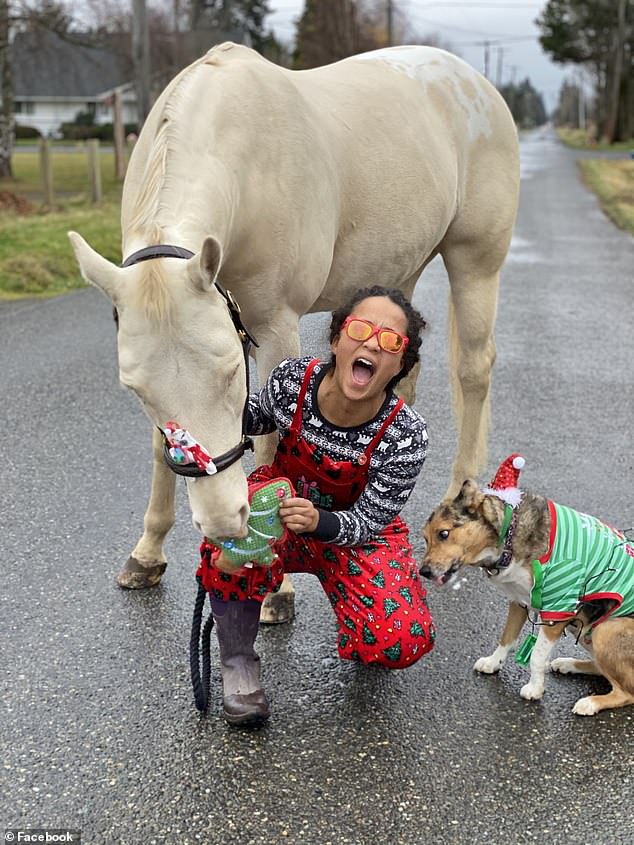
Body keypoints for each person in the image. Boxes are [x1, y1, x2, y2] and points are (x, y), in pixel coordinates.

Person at [196, 285, 435, 725]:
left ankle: (362, 623)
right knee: (232, 536)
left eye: (389, 341)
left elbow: (371, 519)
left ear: (400, 364)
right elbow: (249, 420)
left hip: (352, 535)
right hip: (278, 516)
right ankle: (239, 664)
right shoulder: (293, 381)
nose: (370, 343)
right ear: (336, 340)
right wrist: (210, 385)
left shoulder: (406, 435)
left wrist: (321, 521)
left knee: (400, 639)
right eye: (360, 329)